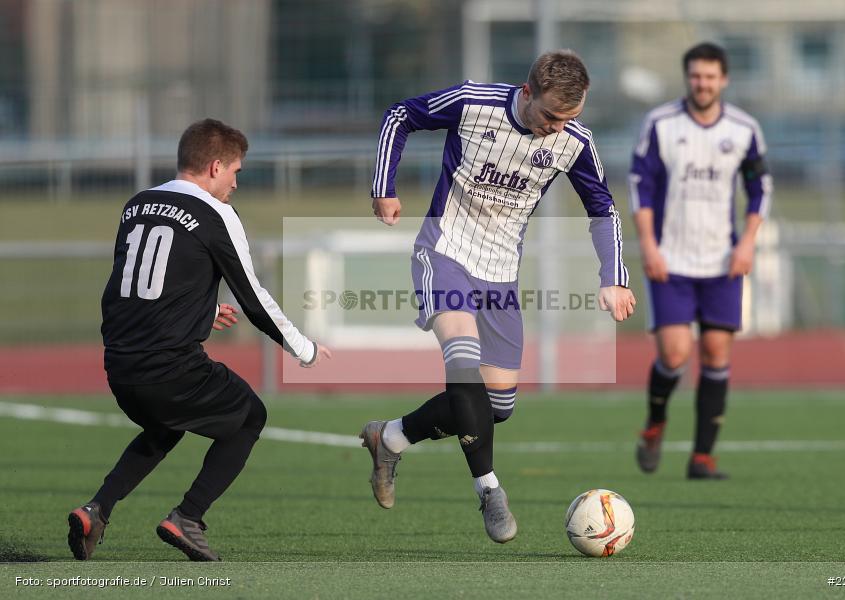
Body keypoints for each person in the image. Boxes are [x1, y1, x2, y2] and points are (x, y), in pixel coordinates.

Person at [360, 50, 635, 543]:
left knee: (496, 407)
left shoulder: (574, 141)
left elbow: (603, 210)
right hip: (444, 253)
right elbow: (400, 115)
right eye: (551, 115)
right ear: (527, 92)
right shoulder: (473, 103)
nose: (557, 127)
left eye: (570, 118)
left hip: (501, 276)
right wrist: (384, 184)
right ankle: (489, 489)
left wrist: (613, 277)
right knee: (462, 364)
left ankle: (390, 438)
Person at [67, 118, 331, 561]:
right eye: (235, 172)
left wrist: (202, 312)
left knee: (166, 424)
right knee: (250, 416)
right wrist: (302, 348)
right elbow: (253, 296)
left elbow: (133, 288)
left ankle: (96, 509)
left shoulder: (137, 204)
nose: (235, 184)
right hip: (169, 366)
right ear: (214, 166)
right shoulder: (217, 214)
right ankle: (188, 517)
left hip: (119, 366)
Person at [629, 42, 772, 479]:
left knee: (714, 352)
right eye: (695, 76)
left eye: (710, 77)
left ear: (723, 79)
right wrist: (649, 246)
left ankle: (702, 458)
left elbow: (760, 188)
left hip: (722, 259)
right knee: (674, 354)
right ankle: (655, 424)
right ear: (687, 76)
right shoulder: (660, 124)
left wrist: (747, 243)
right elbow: (641, 188)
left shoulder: (745, 129)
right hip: (670, 260)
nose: (702, 83)